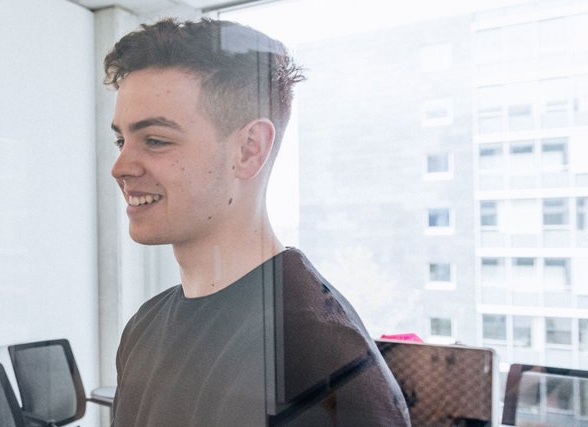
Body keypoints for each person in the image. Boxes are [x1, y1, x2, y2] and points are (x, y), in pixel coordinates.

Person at [104, 19, 410, 426]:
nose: (120, 166)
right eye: (121, 140)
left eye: (156, 140)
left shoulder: (312, 359)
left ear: (249, 150)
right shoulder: (144, 327)